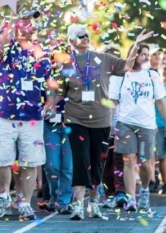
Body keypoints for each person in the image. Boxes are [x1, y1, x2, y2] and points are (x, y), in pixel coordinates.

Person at [55, 24, 153, 221]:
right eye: (80, 35)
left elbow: (127, 65)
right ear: (72, 40)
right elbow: (58, 93)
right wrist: (49, 105)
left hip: (101, 120)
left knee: (97, 163)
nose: (85, 37)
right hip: (76, 120)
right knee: (81, 161)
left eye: (86, 34)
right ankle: (78, 205)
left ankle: (93, 203)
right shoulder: (66, 65)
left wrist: (135, 45)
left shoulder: (103, 58)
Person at [0, 7, 54, 220]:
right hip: (5, 114)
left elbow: (50, 82)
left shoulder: (42, 52)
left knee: (30, 161)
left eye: (33, 22)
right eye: (26, 21)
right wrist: (13, 19)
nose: (30, 25)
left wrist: (51, 100)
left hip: (32, 117)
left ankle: (24, 202)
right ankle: (3, 196)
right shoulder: (7, 46)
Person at [109, 43, 166, 212]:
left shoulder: (152, 75)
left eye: (147, 54)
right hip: (125, 122)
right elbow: (113, 103)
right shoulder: (121, 76)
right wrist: (111, 124)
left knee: (147, 164)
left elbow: (160, 102)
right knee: (129, 160)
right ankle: (131, 198)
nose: (146, 57)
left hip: (146, 124)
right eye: (142, 54)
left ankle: (145, 191)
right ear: (134, 55)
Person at [42, 44, 73, 214]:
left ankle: (64, 200)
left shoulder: (76, 75)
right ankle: (54, 194)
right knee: (51, 165)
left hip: (69, 125)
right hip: (50, 124)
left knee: (67, 166)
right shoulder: (47, 73)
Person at [100, 45, 127, 208]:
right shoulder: (99, 76)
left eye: (115, 56)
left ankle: (121, 192)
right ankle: (109, 193)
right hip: (102, 123)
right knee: (105, 160)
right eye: (109, 56)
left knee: (120, 159)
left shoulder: (125, 76)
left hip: (122, 124)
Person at [150, 45, 165, 193]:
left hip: (162, 118)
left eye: (159, 54)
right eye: (154, 54)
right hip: (152, 119)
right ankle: (152, 178)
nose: (156, 57)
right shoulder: (147, 73)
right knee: (154, 152)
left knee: (161, 153)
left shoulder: (163, 73)